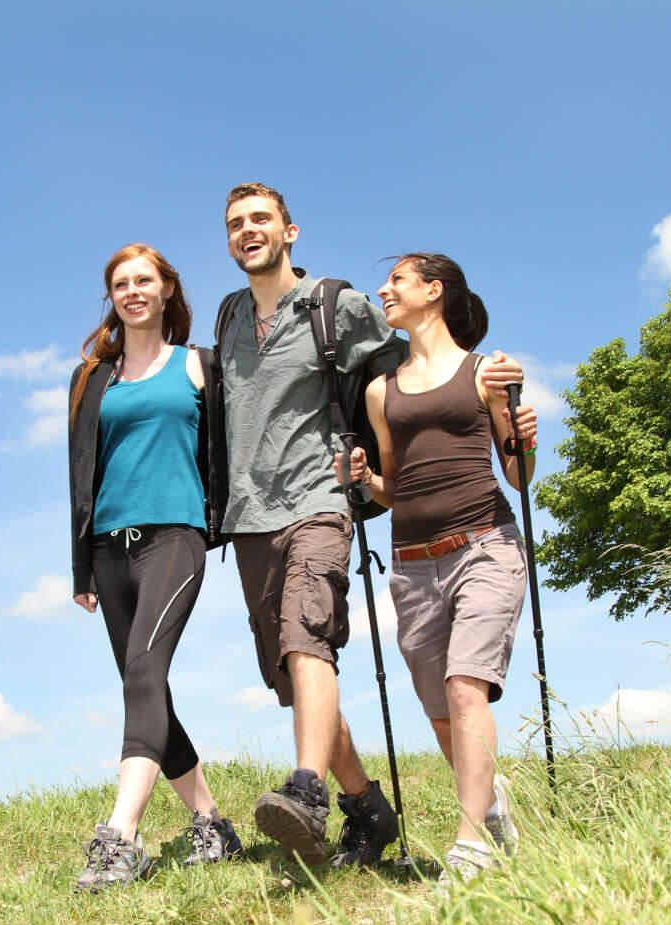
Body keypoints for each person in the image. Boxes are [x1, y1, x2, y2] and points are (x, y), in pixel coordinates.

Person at [212, 182, 526, 867]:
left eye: (261, 218)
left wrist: (489, 393)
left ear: (290, 231)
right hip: (248, 516)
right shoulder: (229, 316)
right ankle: (368, 810)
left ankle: (308, 789)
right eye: (236, 223)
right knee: (293, 678)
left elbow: (414, 368)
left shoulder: (336, 305)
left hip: (320, 501)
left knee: (309, 636)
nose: (248, 230)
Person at [336, 252, 537, 883]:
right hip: (413, 564)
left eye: (396, 280)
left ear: (433, 290)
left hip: (485, 545)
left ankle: (471, 844)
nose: (384, 290)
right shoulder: (380, 391)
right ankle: (494, 808)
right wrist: (369, 483)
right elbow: (396, 486)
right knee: (442, 714)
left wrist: (524, 435)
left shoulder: (486, 373)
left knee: (464, 686)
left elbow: (519, 474)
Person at [67, 242, 242, 893]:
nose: (133, 291)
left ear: (167, 290)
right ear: (111, 297)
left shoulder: (199, 366)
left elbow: (235, 446)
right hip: (109, 548)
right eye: (121, 283)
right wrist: (80, 564)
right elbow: (80, 473)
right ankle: (211, 823)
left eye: (145, 280)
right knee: (149, 689)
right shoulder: (92, 380)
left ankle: (121, 837)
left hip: (174, 536)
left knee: (143, 673)